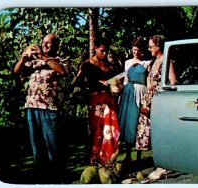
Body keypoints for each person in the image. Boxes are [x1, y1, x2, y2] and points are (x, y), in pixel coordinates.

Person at [13, 33, 67, 183]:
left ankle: (56, 177)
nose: (45, 45)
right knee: (37, 144)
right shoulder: (34, 62)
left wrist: (44, 57)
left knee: (52, 145)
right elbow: (16, 72)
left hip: (49, 108)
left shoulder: (59, 60)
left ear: (56, 45)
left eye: (49, 43)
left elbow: (62, 71)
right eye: (44, 42)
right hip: (32, 106)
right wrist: (24, 58)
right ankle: (42, 177)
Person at [72, 38, 120, 166]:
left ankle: (109, 161)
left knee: (111, 130)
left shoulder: (110, 65)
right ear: (96, 49)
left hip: (110, 100)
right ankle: (95, 161)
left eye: (107, 51)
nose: (105, 53)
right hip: (95, 101)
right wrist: (93, 83)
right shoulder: (87, 64)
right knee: (97, 132)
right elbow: (77, 82)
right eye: (102, 51)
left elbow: (117, 81)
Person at [135, 35, 176, 155]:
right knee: (149, 132)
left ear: (158, 46)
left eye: (150, 46)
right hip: (148, 102)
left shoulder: (166, 61)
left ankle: (162, 160)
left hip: (158, 102)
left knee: (159, 132)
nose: (149, 49)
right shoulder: (153, 62)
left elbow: (173, 81)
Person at [118, 36, 150, 162]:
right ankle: (127, 154)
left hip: (141, 91)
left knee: (138, 122)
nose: (136, 52)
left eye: (138, 50)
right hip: (128, 92)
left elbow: (148, 81)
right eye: (134, 49)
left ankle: (138, 155)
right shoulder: (127, 62)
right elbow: (123, 77)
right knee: (127, 123)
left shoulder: (147, 63)